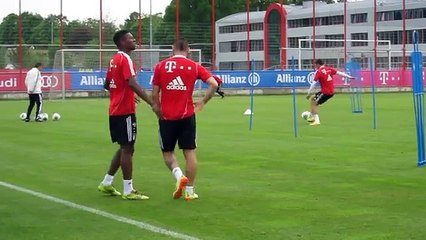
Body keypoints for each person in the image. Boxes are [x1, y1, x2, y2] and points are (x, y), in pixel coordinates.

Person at [98, 30, 161, 200]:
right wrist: (152, 102)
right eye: (131, 38)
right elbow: (132, 83)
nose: (134, 41)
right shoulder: (125, 58)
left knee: (125, 147)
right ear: (122, 42)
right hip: (124, 111)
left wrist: (126, 93)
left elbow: (108, 84)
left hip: (115, 109)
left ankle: (106, 182)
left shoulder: (114, 59)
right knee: (128, 148)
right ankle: (128, 190)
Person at [152, 39, 218, 201]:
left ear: (172, 49)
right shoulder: (194, 66)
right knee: (189, 152)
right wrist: (203, 101)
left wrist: (157, 109)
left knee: (167, 153)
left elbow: (154, 94)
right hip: (187, 115)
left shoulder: (161, 66)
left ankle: (179, 175)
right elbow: (214, 84)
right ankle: (189, 190)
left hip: (166, 116)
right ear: (188, 50)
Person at [306, 59, 354, 126]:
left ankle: (316, 121)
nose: (315, 66)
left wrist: (308, 92)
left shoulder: (319, 72)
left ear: (318, 64)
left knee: (315, 104)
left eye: (315, 65)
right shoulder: (329, 69)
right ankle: (312, 116)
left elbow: (313, 84)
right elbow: (339, 73)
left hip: (326, 92)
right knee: (312, 98)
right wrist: (349, 77)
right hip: (329, 91)